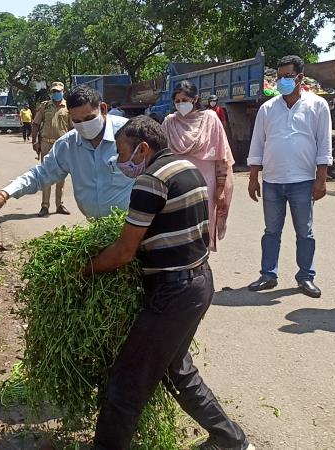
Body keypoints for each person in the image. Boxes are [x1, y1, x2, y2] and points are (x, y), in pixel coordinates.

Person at [84, 116, 253, 450]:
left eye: (123, 153)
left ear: (143, 149)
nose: (120, 161)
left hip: (173, 292)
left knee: (127, 380)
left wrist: (84, 269)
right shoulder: (187, 168)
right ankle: (230, 440)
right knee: (176, 369)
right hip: (199, 283)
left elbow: (123, 252)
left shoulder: (151, 181)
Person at [0, 85, 133, 220]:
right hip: (98, 228)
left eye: (89, 118)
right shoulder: (68, 144)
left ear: (103, 109)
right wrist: (4, 194)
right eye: (77, 121)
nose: (84, 126)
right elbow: (40, 175)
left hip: (135, 225)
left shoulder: (130, 134)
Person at [246, 55, 332, 298]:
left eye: (287, 76)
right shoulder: (268, 108)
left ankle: (306, 277)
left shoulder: (317, 105)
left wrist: (321, 179)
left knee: (304, 232)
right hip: (272, 181)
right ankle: (268, 275)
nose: (282, 81)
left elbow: (324, 144)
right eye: (279, 77)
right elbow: (257, 143)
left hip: (303, 181)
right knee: (271, 231)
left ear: (300, 77)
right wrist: (253, 177)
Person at [163, 81, 235, 251]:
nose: (181, 104)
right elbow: (162, 155)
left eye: (185, 100)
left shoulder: (210, 119)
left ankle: (201, 260)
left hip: (205, 185)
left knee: (202, 226)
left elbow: (221, 157)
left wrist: (220, 190)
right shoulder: (169, 123)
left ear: (195, 99)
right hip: (176, 185)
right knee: (178, 227)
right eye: (177, 101)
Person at [28, 81, 72, 216]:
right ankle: (45, 205)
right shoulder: (45, 106)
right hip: (46, 143)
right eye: (53, 91)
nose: (56, 94)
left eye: (58, 91)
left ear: (63, 92)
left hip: (63, 145)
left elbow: (73, 127)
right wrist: (34, 141)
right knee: (46, 174)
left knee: (61, 175)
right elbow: (35, 124)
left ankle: (59, 205)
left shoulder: (69, 107)